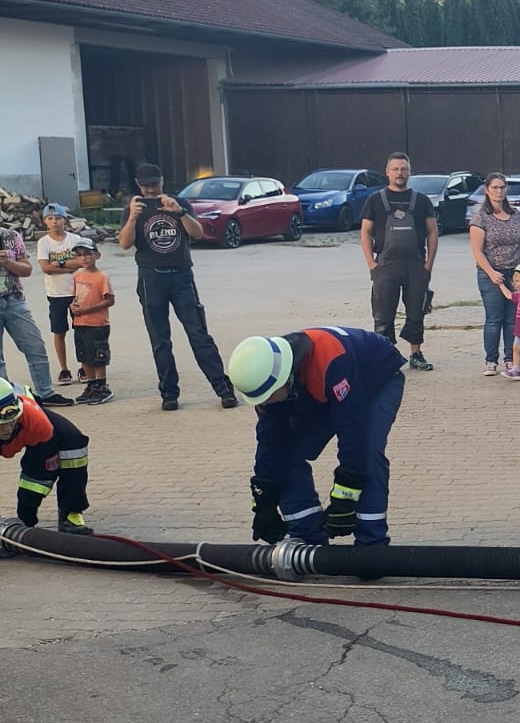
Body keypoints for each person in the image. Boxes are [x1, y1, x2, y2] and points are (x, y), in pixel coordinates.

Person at [225, 326, 407, 547]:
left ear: (283, 379)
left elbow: (352, 430)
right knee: (285, 454)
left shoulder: (331, 360)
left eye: (268, 397)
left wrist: (345, 499)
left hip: (376, 379)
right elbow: (270, 443)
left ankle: (372, 543)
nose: (264, 404)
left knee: (368, 451)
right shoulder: (268, 379)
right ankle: (307, 535)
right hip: (321, 389)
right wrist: (264, 498)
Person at [117, 162, 238, 411]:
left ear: (162, 181)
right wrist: (132, 217)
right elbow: (124, 244)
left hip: (181, 276)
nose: (151, 190)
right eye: (146, 186)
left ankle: (223, 389)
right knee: (160, 340)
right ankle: (169, 394)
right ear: (138, 185)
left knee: (198, 334)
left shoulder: (180, 203)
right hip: (151, 278)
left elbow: (198, 233)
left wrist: (180, 212)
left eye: (155, 184)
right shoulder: (132, 209)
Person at [360, 152, 438, 372]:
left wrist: (428, 265)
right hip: (385, 266)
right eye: (395, 169)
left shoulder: (421, 201)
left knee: (416, 312)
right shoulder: (375, 200)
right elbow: (365, 232)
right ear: (387, 172)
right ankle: (386, 358)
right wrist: (371, 264)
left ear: (409, 172)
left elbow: (433, 232)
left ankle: (416, 355)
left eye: (403, 169)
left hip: (416, 266)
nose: (399, 173)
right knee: (383, 315)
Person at [0, 375, 93, 533]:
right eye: (2, 425)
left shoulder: (35, 421)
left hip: (33, 421)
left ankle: (70, 515)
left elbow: (39, 472)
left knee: (73, 444)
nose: (8, 429)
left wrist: (25, 521)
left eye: (11, 421)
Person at [0, 222, 75, 408]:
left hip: (14, 300)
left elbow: (27, 270)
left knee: (35, 346)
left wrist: (8, 262)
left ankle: (45, 393)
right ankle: (4, 401)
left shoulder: (10, 236)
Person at [469, 172, 520, 377]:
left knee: (513, 319)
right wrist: (492, 273)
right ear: (487, 190)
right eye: (495, 187)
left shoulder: (516, 215)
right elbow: (477, 251)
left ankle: (511, 359)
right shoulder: (481, 218)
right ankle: (491, 360)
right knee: (494, 319)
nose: (499, 191)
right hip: (491, 274)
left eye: (502, 187)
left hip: (515, 274)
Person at [35, 203, 88, 387]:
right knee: (59, 331)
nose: (54, 222)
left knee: (81, 330)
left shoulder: (74, 239)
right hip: (55, 293)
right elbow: (45, 267)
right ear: (45, 221)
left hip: (77, 291)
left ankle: (84, 366)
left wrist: (59, 264)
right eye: (50, 218)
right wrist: (68, 266)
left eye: (58, 218)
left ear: (64, 220)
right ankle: (64, 368)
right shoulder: (44, 243)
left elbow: (82, 261)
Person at [68, 244, 114, 405]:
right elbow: (75, 297)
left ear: (96, 256)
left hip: (97, 324)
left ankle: (102, 386)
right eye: (79, 255)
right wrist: (72, 306)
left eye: (87, 254)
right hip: (80, 322)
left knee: (97, 356)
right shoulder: (77, 276)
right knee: (84, 355)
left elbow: (109, 300)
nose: (84, 258)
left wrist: (88, 309)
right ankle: (91, 384)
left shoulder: (102, 277)